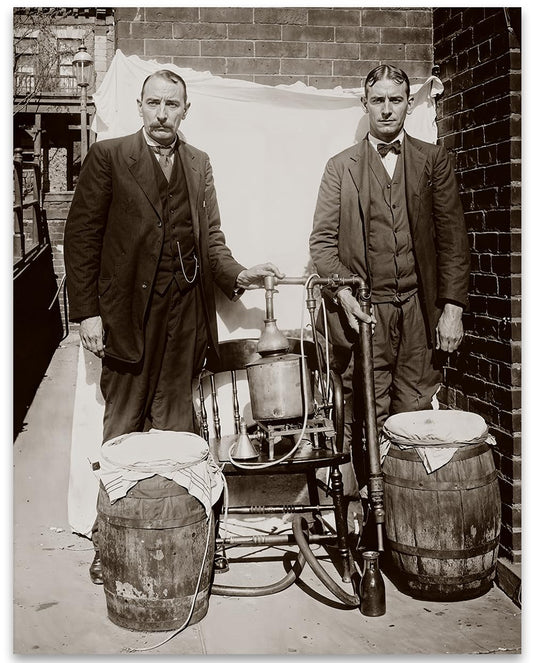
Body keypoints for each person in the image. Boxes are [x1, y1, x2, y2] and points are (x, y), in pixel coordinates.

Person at [64, 69, 284, 583]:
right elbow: (82, 238)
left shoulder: (198, 163)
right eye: (154, 103)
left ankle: (175, 539)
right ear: (140, 106)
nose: (163, 113)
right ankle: (109, 540)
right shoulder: (109, 157)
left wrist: (239, 275)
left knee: (177, 432)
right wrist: (88, 313)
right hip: (126, 318)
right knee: (122, 433)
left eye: (172, 104)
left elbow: (212, 241)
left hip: (184, 317)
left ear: (186, 110)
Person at [309, 64, 470, 520]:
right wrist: (343, 294)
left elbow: (453, 240)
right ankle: (368, 522)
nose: (386, 109)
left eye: (395, 100)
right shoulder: (341, 167)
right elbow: (322, 244)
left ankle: (408, 517)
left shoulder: (432, 160)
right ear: (365, 105)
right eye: (377, 100)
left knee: (414, 412)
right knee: (368, 412)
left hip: (418, 311)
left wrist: (452, 308)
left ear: (408, 105)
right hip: (366, 313)